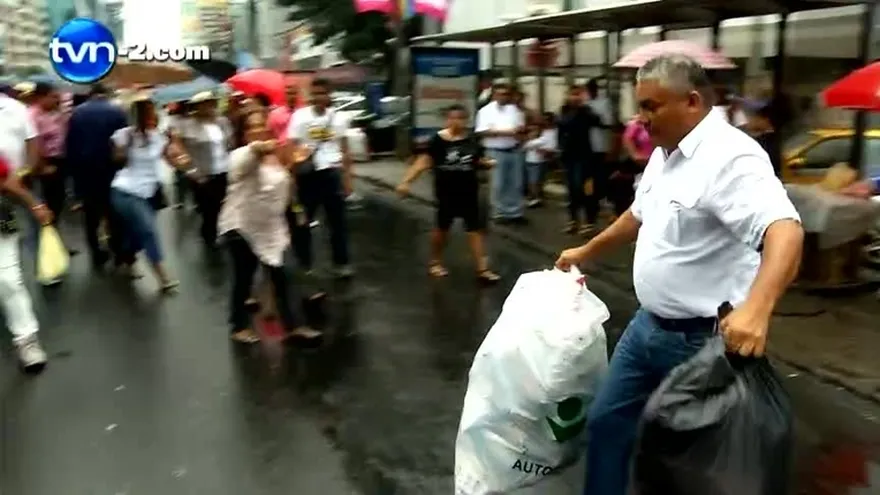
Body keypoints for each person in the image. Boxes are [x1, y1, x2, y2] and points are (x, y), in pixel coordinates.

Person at [554, 54, 804, 495]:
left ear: (691, 101)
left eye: (651, 106)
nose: (640, 117)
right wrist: (586, 251)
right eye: (640, 106)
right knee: (607, 424)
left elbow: (785, 230)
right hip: (646, 329)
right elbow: (638, 214)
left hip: (702, 344)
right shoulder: (664, 152)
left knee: (693, 466)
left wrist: (758, 310)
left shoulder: (731, 158)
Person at [218, 107, 323, 344]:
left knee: (287, 273)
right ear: (244, 134)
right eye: (251, 127)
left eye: (261, 125)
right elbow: (244, 165)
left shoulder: (278, 156)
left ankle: (295, 326)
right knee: (243, 279)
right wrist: (258, 149)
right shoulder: (239, 156)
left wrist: (294, 168)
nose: (258, 130)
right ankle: (238, 327)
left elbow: (284, 187)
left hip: (272, 229)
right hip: (241, 227)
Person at [395, 104, 501, 283]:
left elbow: (477, 160)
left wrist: (487, 163)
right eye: (452, 118)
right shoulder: (438, 140)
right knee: (442, 229)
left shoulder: (472, 140)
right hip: (446, 192)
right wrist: (406, 182)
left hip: (469, 191)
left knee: (474, 230)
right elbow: (423, 162)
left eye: (460, 118)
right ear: (447, 119)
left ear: (466, 120)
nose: (456, 122)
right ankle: (435, 262)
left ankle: (482, 269)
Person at [109, 94, 191, 291]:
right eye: (147, 114)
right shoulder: (124, 134)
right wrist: (127, 144)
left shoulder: (160, 137)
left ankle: (126, 257)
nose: (153, 117)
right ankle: (163, 277)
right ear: (137, 116)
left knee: (138, 233)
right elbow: (116, 159)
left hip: (150, 193)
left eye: (153, 113)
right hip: (125, 191)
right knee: (148, 229)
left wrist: (177, 144)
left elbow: (176, 161)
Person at [0, 91, 54, 371]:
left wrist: (33, 203)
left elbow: (4, 177)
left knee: (8, 278)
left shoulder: (15, 109)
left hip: (2, 210)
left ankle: (26, 339)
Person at [286, 78, 354, 279]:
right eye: (314, 93)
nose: (318, 97)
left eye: (322, 93)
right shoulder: (300, 117)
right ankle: (304, 263)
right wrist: (293, 169)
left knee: (338, 223)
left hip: (331, 174)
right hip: (307, 175)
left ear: (329, 94)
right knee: (302, 222)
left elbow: (345, 149)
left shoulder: (340, 118)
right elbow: (291, 144)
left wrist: (348, 178)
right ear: (310, 96)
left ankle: (341, 263)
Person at [65, 83, 130, 270]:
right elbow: (124, 141)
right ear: (106, 94)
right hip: (112, 169)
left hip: (86, 172)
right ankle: (118, 250)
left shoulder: (76, 113)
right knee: (114, 213)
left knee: (91, 216)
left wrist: (73, 177)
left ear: (90, 94)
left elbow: (71, 146)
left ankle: (96, 254)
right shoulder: (117, 112)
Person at [179, 91, 232, 247]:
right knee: (208, 208)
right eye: (204, 104)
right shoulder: (187, 125)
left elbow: (229, 143)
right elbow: (180, 150)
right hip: (202, 174)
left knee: (224, 205)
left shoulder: (222, 122)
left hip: (223, 169)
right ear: (196, 107)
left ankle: (221, 231)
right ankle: (208, 235)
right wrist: (190, 170)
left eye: (210, 103)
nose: (208, 107)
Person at [29, 82, 72, 262]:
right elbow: (33, 145)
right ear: (41, 97)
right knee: (46, 206)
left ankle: (56, 244)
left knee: (58, 205)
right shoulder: (32, 116)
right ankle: (45, 250)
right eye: (53, 96)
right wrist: (41, 167)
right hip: (43, 166)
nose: (58, 99)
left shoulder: (55, 113)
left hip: (59, 163)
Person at [476, 83, 526, 224]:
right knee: (498, 183)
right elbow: (482, 131)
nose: (504, 97)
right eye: (500, 94)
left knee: (516, 182)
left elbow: (521, 129)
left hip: (514, 149)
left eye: (506, 94)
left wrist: (519, 134)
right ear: (494, 95)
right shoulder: (485, 111)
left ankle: (515, 212)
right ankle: (499, 212)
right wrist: (505, 132)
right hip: (495, 151)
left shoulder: (515, 110)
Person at [558, 85, 601, 234]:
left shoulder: (586, 111)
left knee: (585, 189)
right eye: (573, 94)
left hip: (585, 156)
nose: (575, 98)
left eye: (578, 95)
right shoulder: (564, 111)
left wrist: (583, 108)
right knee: (572, 190)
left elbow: (597, 121)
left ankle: (589, 221)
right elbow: (562, 128)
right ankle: (573, 220)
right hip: (569, 156)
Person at [585, 78, 613, 208]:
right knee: (588, 174)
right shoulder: (584, 103)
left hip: (600, 144)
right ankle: (590, 199)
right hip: (585, 144)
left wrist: (594, 118)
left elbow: (608, 123)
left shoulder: (604, 103)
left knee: (601, 173)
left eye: (592, 89)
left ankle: (602, 197)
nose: (591, 92)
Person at [522, 112, 557, 208]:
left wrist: (549, 151)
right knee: (533, 180)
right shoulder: (538, 135)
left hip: (542, 160)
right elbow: (526, 145)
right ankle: (534, 198)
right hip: (532, 161)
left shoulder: (548, 134)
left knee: (539, 180)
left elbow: (551, 145)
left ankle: (536, 197)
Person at [744, 98, 782, 177]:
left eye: (754, 117)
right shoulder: (770, 140)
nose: (749, 120)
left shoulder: (766, 143)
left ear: (765, 120)